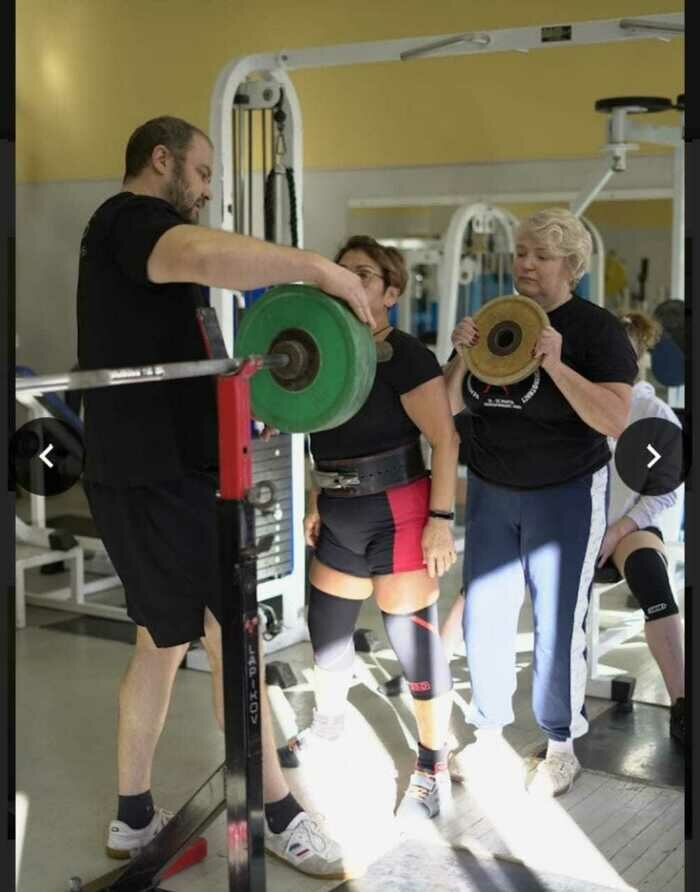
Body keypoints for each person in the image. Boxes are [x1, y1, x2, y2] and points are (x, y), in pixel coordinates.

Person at [77, 115, 376, 880]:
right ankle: (277, 812)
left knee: (163, 639)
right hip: (156, 475)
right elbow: (206, 253)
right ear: (161, 159)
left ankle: (133, 816)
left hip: (154, 470)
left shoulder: (140, 250)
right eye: (203, 174)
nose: (206, 191)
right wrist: (323, 272)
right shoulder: (130, 221)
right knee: (229, 636)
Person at [442, 208, 637, 797]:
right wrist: (458, 356)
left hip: (567, 493)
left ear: (570, 266)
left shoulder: (597, 331)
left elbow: (615, 418)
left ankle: (559, 744)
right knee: (485, 618)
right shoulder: (494, 319)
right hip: (494, 490)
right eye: (522, 252)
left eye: (541, 255)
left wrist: (555, 362)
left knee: (556, 624)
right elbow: (448, 408)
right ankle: (487, 735)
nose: (525, 264)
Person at [293, 235, 460, 822]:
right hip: (339, 510)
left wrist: (441, 522)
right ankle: (329, 727)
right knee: (329, 634)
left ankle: (432, 766)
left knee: (413, 644)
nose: (348, 282)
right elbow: (321, 431)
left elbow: (444, 439)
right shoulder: (323, 350)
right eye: (340, 273)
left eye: (364, 274)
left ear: (390, 292)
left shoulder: (408, 356)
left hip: (402, 511)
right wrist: (317, 495)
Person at [596, 311, 685, 745]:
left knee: (650, 575)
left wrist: (616, 532)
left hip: (627, 530)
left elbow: (663, 493)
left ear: (635, 359)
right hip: (570, 525)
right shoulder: (580, 402)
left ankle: (682, 702)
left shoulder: (654, 414)